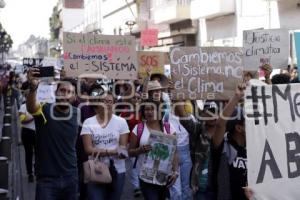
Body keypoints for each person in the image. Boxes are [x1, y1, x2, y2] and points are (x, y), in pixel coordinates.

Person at [26, 68, 79, 200]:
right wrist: (33, 88)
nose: (65, 94)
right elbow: (31, 108)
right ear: (56, 92)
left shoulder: (78, 113)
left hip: (71, 177)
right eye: (62, 90)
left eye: (69, 92)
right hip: (47, 179)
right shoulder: (45, 109)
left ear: (74, 97)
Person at [81, 91, 130, 200]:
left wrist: (125, 152)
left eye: (109, 102)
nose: (107, 104)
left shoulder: (121, 122)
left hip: (117, 169)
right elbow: (88, 149)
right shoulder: (88, 122)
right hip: (96, 169)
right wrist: (111, 152)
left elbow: (122, 149)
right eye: (103, 101)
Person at [129, 100, 179, 200]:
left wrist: (175, 172)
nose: (150, 112)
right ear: (143, 112)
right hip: (145, 177)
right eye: (147, 109)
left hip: (165, 176)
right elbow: (130, 152)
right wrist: (140, 150)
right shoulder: (138, 128)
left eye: (153, 109)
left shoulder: (168, 128)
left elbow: (175, 152)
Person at [212, 83, 247, 200]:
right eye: (249, 122)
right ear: (238, 128)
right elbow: (220, 124)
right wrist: (236, 97)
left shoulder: (255, 146)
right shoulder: (223, 146)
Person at [19, 102, 36, 182]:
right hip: (27, 132)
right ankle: (30, 173)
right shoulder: (23, 107)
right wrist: (34, 116)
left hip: (38, 133)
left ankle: (38, 171)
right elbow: (22, 120)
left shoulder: (40, 106)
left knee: (39, 154)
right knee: (28, 153)